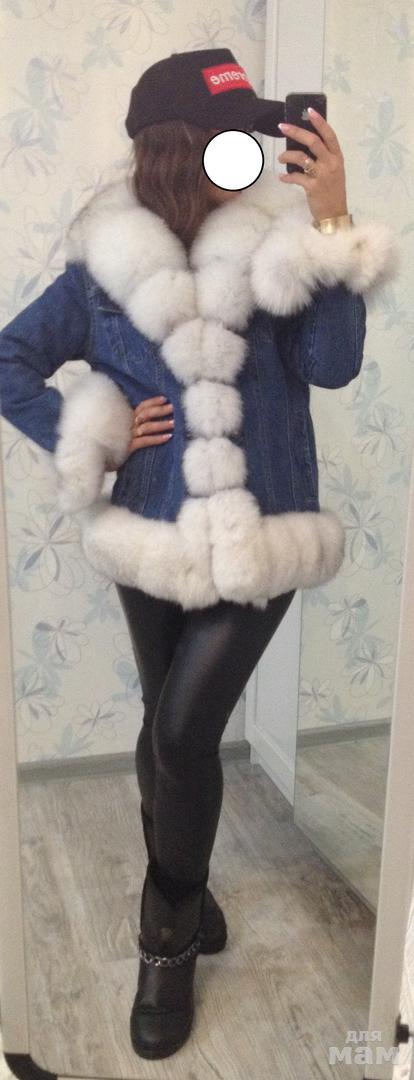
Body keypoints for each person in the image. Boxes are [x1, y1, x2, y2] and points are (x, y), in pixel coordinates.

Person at [0, 47, 400, 1062]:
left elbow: (333, 366)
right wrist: (89, 429)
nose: (256, 152)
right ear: (180, 147)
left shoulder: (278, 246)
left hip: (264, 535)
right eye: (235, 137)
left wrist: (333, 220)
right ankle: (192, 885)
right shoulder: (103, 266)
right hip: (152, 532)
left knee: (183, 732)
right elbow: (9, 358)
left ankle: (166, 936)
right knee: (164, 727)